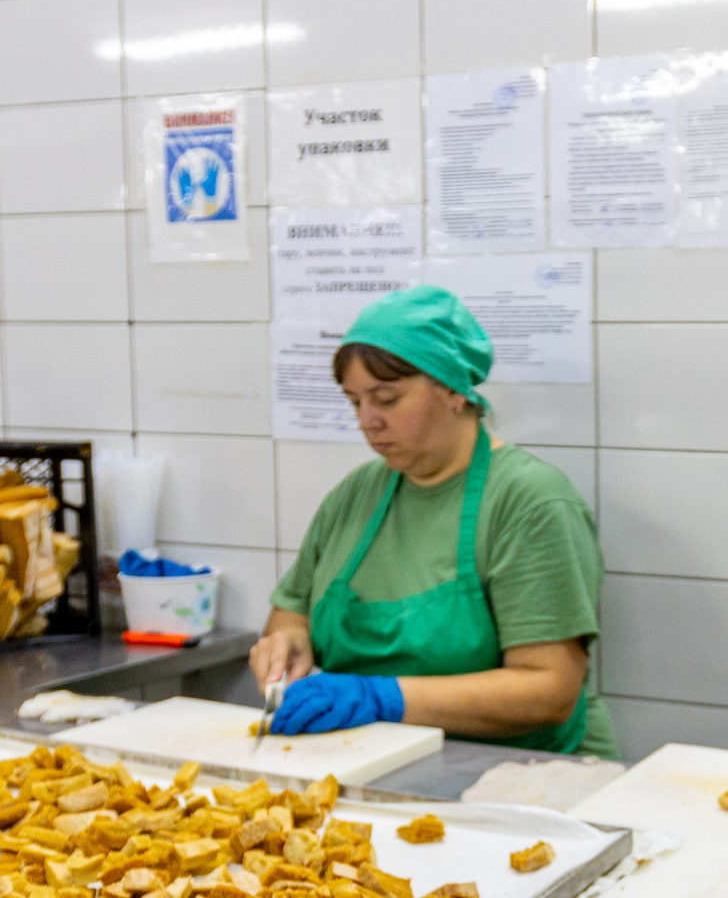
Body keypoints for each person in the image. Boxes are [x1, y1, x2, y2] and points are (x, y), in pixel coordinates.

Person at [249, 284, 618, 758]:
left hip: (529, 776)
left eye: (386, 399)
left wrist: (381, 698)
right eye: (354, 401)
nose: (366, 421)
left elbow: (548, 690)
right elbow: (291, 610)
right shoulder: (357, 493)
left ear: (452, 392)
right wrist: (288, 644)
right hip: (376, 762)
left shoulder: (529, 502)